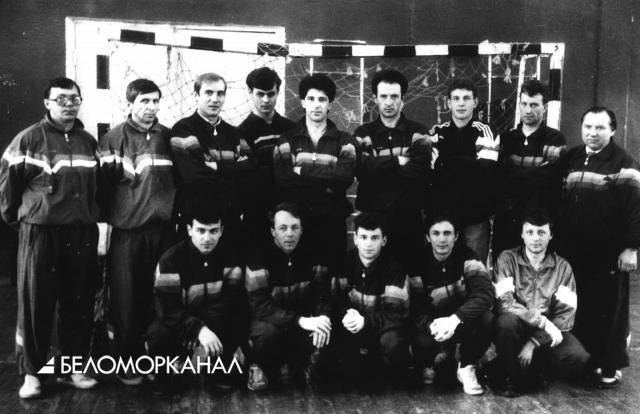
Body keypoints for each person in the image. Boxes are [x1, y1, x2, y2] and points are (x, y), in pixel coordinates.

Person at [0, 77, 100, 398]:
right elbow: (7, 194)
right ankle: (32, 374)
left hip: (81, 233)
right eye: (61, 99)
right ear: (47, 103)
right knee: (36, 304)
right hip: (40, 233)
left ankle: (72, 369)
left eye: (74, 99)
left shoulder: (89, 142)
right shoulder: (27, 139)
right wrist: (29, 223)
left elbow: (99, 190)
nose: (68, 105)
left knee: (79, 303)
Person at [98, 78, 176, 385]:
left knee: (161, 297)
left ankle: (158, 359)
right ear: (130, 103)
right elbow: (101, 189)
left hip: (163, 231)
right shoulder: (113, 138)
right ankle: (128, 361)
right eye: (144, 101)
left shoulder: (167, 136)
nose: (151, 107)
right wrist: (118, 217)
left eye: (155, 101)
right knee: (127, 298)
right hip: (128, 233)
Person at [558, 107, 640, 388]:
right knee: (579, 307)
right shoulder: (572, 158)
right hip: (573, 250)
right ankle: (584, 362)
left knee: (610, 310)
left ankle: (610, 365)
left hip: (608, 254)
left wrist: (631, 248)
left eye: (600, 128)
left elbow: (636, 209)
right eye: (588, 127)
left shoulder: (625, 164)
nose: (593, 133)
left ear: (612, 130)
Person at [146, 203, 248, 392]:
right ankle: (166, 371)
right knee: (159, 332)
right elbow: (167, 309)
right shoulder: (171, 259)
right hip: (180, 322)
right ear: (189, 230)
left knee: (237, 318)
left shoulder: (230, 255)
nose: (207, 238)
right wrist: (197, 330)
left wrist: (203, 327)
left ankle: (219, 367)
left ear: (221, 231)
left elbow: (232, 301)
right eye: (201, 230)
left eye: (213, 231)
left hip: (214, 320)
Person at [493, 210, 589, 397]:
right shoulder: (507, 259)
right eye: (530, 232)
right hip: (517, 325)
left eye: (541, 232)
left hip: (547, 332)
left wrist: (534, 342)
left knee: (578, 358)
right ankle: (512, 378)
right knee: (506, 322)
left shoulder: (563, 267)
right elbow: (504, 302)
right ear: (522, 234)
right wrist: (538, 321)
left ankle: (530, 369)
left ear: (550, 235)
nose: (535, 238)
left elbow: (566, 314)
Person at [244, 202, 332, 391]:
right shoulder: (259, 257)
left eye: (295, 227)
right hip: (268, 321)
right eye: (282, 228)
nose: (289, 234)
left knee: (322, 326)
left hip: (299, 321)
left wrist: (323, 318)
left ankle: (299, 365)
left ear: (302, 230)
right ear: (273, 231)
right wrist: (301, 320)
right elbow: (260, 307)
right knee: (268, 334)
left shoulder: (313, 254)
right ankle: (259, 366)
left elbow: (323, 295)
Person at [273, 73, 356, 271]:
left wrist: (300, 170)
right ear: (303, 102)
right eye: (311, 99)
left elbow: (344, 177)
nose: (316, 105)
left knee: (332, 277)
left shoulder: (345, 141)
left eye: (322, 99)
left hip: (332, 223)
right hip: (298, 224)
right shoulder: (286, 139)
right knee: (301, 278)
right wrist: (327, 179)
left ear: (330, 104)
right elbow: (283, 179)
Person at [354, 69, 432, 277]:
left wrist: (379, 170)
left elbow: (420, 171)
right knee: (375, 280)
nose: (389, 102)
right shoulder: (363, 134)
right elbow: (363, 171)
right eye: (383, 96)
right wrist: (398, 161)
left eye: (394, 96)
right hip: (374, 225)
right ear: (375, 98)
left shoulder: (419, 132)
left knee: (411, 280)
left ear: (402, 100)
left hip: (409, 222)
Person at [410, 213, 494, 395]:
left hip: (461, 320)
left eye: (447, 233)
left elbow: (485, 294)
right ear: (428, 237)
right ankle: (429, 363)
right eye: (436, 233)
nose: (442, 239)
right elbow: (416, 306)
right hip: (434, 325)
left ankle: (466, 366)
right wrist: (430, 324)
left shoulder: (468, 257)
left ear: (456, 236)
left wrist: (455, 319)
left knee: (487, 319)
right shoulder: (417, 262)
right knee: (421, 342)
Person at [170, 72, 258, 247]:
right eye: (208, 93)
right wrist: (234, 168)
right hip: (197, 221)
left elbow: (251, 168)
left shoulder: (233, 133)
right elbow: (193, 176)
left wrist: (216, 167)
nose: (215, 99)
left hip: (229, 220)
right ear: (196, 95)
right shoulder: (183, 129)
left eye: (220, 93)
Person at [331, 213, 411, 383]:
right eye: (363, 237)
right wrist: (347, 314)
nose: (368, 243)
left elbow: (396, 314)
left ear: (384, 240)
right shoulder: (344, 263)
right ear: (355, 239)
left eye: (374, 237)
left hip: (381, 329)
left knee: (393, 343)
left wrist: (365, 321)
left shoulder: (394, 268)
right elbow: (335, 300)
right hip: (353, 327)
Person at [493, 80, 566, 260]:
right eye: (524, 104)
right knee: (505, 271)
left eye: (534, 105)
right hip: (508, 221)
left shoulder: (555, 138)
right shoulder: (506, 138)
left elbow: (549, 177)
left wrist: (512, 175)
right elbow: (497, 177)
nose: (527, 110)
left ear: (544, 107)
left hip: (538, 223)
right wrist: (533, 173)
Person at [429, 78, 500, 263]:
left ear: (475, 102)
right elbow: (432, 174)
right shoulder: (436, 133)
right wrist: (469, 162)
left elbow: (485, 171)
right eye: (456, 98)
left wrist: (446, 162)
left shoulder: (486, 132)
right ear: (449, 103)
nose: (461, 103)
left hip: (474, 219)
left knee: (474, 271)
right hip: (443, 220)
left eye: (466, 98)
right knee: (442, 274)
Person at [237, 67, 296, 247]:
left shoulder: (291, 129)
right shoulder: (241, 132)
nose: (266, 100)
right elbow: (249, 176)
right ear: (250, 92)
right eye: (260, 94)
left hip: (289, 210)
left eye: (271, 94)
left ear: (278, 93)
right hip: (257, 211)